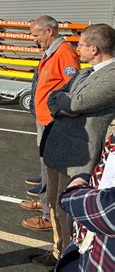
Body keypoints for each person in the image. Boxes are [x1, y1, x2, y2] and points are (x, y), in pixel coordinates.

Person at [35, 24, 115, 267]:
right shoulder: (86, 72)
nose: (76, 49)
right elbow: (54, 96)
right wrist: (65, 105)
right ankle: (58, 252)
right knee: (55, 205)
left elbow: (78, 103)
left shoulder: (111, 76)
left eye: (80, 45)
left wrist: (68, 105)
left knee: (74, 211)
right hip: (60, 151)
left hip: (81, 156)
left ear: (94, 48)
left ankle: (74, 257)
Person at [21, 16, 80, 237]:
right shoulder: (51, 52)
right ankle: (45, 203)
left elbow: (72, 89)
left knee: (52, 170)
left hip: (53, 121)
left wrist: (57, 112)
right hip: (45, 118)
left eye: (36, 35)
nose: (34, 40)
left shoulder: (64, 53)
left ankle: (48, 215)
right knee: (46, 165)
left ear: (49, 31)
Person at [55, 131, 114, 272]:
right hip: (90, 243)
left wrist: (71, 194)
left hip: (104, 255)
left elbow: (108, 211)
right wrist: (88, 180)